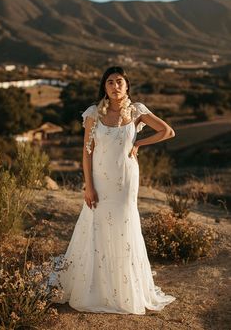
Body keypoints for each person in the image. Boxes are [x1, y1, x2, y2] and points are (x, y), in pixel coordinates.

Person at [50, 66, 176, 314]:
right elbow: (87, 152)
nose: (115, 85)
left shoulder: (137, 111)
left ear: (126, 85)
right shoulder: (93, 114)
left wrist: (139, 142)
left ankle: (125, 288)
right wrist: (88, 185)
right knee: (95, 223)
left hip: (126, 179)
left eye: (119, 81)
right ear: (104, 87)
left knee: (124, 225)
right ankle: (95, 286)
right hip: (100, 180)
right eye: (110, 82)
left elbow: (167, 131)